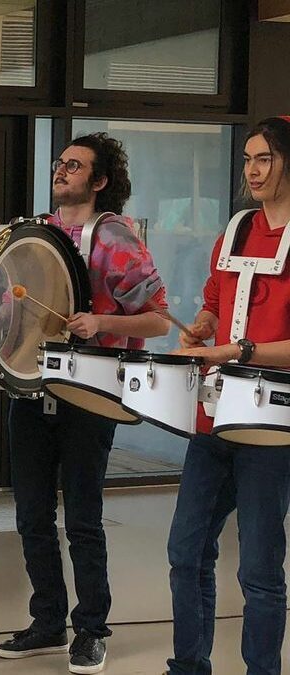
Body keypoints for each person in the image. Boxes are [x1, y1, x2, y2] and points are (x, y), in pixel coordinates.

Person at [0, 132, 170, 674]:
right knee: (30, 514)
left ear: (99, 181)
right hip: (33, 386)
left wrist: (103, 322)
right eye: (59, 163)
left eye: (74, 166)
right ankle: (47, 620)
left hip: (91, 391)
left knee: (84, 519)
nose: (61, 171)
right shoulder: (38, 234)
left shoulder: (114, 237)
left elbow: (160, 317)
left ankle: (91, 628)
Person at [165, 117, 290, 675]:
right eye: (246, 159)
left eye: (264, 158)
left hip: (270, 424)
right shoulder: (236, 229)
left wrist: (237, 351)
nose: (253, 170)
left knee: (260, 571)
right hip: (213, 417)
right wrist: (200, 327)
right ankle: (188, 666)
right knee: (185, 552)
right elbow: (215, 300)